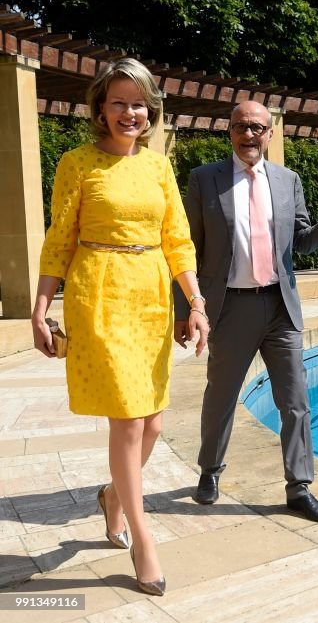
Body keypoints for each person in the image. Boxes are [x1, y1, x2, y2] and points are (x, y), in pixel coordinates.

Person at [31, 58, 210, 597]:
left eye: (139, 103)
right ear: (100, 109)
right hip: (99, 292)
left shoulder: (158, 168)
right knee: (129, 422)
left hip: (151, 293)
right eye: (118, 102)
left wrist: (195, 302)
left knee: (152, 422)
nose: (129, 113)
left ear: (150, 110)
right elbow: (59, 239)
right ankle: (144, 538)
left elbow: (178, 239)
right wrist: (39, 309)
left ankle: (113, 497)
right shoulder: (76, 163)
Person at [173, 100, 318, 523]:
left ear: (270, 134)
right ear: (229, 132)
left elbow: (302, 242)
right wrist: (184, 310)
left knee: (296, 401)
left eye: (257, 127)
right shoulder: (203, 179)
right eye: (240, 127)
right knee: (221, 395)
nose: (249, 134)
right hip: (230, 308)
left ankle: (299, 487)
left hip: (280, 307)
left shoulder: (288, 180)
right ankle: (210, 471)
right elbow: (186, 250)